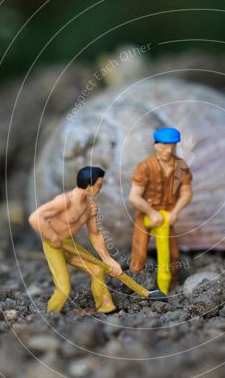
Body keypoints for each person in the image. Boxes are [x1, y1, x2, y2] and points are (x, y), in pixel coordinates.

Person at [29, 166, 124, 313]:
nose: (100, 188)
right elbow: (35, 217)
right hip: (54, 245)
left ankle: (105, 306)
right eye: (99, 185)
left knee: (97, 269)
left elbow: (95, 234)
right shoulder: (64, 201)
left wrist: (107, 258)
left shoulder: (91, 205)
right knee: (64, 288)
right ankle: (51, 314)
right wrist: (52, 237)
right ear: (89, 185)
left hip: (69, 244)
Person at [128, 127, 193, 301]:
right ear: (156, 145)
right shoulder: (145, 167)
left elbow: (187, 193)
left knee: (173, 254)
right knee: (139, 252)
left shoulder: (180, 166)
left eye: (173, 146)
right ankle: (134, 286)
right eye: (164, 146)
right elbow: (134, 197)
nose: (169, 151)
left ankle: (170, 287)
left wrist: (175, 211)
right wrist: (150, 212)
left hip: (167, 216)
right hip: (146, 215)